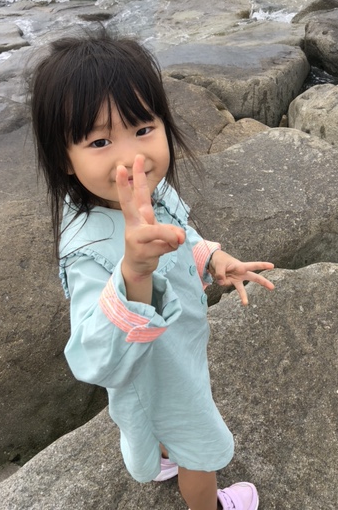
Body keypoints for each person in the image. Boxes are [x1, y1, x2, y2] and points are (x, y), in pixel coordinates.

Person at [30, 31, 275, 510]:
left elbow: (181, 236)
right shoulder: (87, 249)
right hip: (157, 374)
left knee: (168, 428)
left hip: (177, 349)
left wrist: (214, 260)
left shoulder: (154, 190)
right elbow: (92, 358)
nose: (131, 158)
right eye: (101, 141)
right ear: (64, 158)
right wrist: (135, 271)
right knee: (201, 452)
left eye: (143, 129)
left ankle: (164, 448)